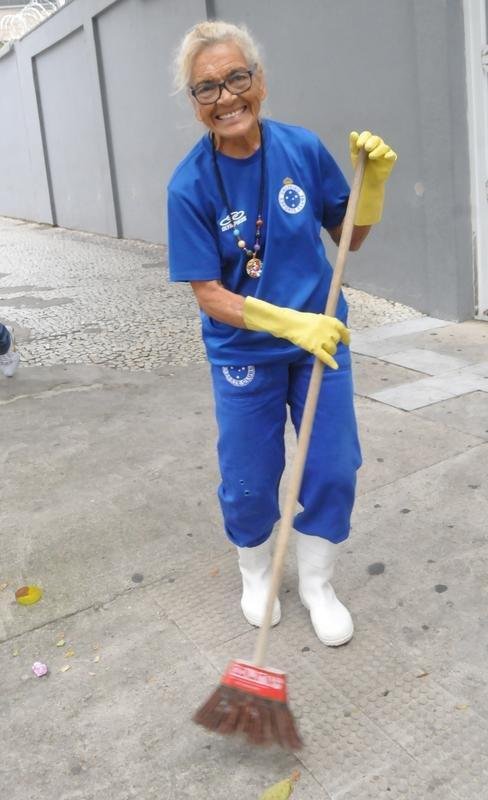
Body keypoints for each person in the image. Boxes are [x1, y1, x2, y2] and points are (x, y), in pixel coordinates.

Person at [167, 20, 396, 646]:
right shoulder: (188, 186)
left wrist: (371, 188)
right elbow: (209, 294)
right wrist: (285, 322)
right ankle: (253, 571)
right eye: (207, 88)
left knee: (332, 464)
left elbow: (347, 236)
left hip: (321, 341)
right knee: (248, 473)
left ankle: (318, 583)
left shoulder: (299, 147)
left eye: (237, 78)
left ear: (259, 82)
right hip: (246, 352)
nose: (226, 97)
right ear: (194, 103)